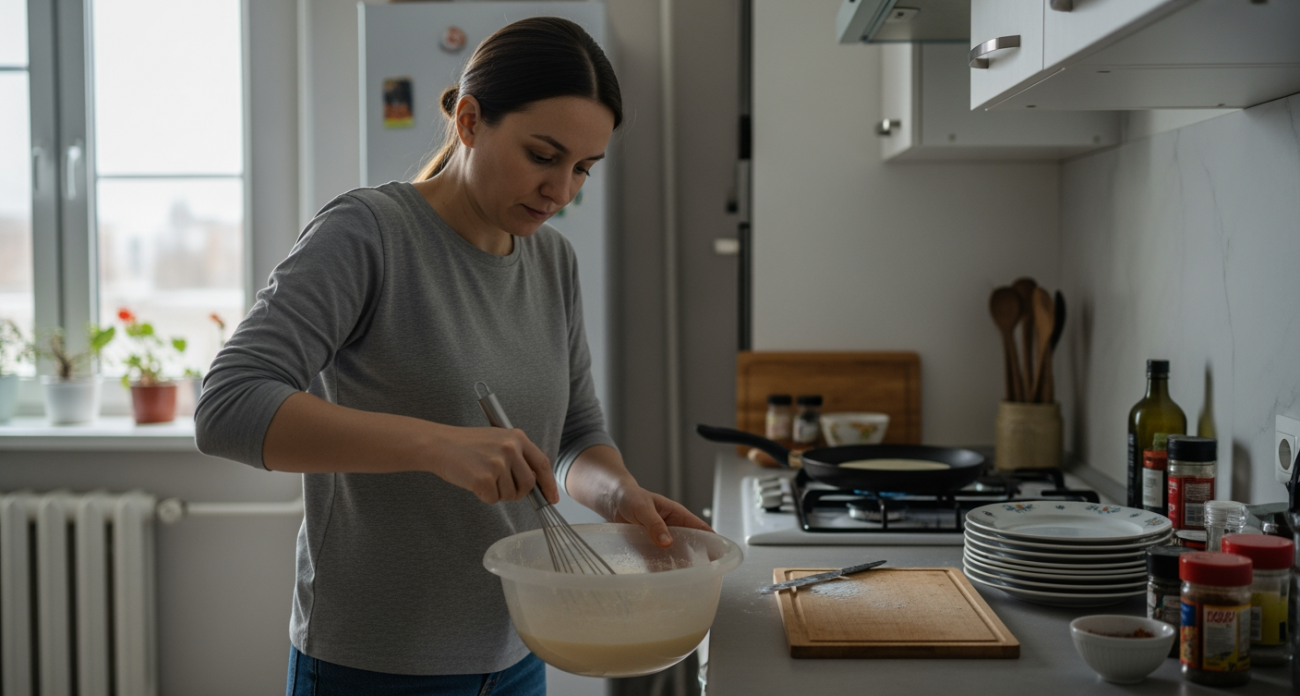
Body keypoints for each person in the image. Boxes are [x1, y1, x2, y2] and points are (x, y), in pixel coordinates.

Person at [195, 17, 711, 696]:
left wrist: (618, 494)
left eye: (582, 167)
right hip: (374, 663)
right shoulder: (368, 234)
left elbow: (575, 433)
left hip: (520, 650)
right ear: (469, 121)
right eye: (543, 155)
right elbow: (227, 406)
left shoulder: (552, 259)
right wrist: (441, 446)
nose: (562, 191)